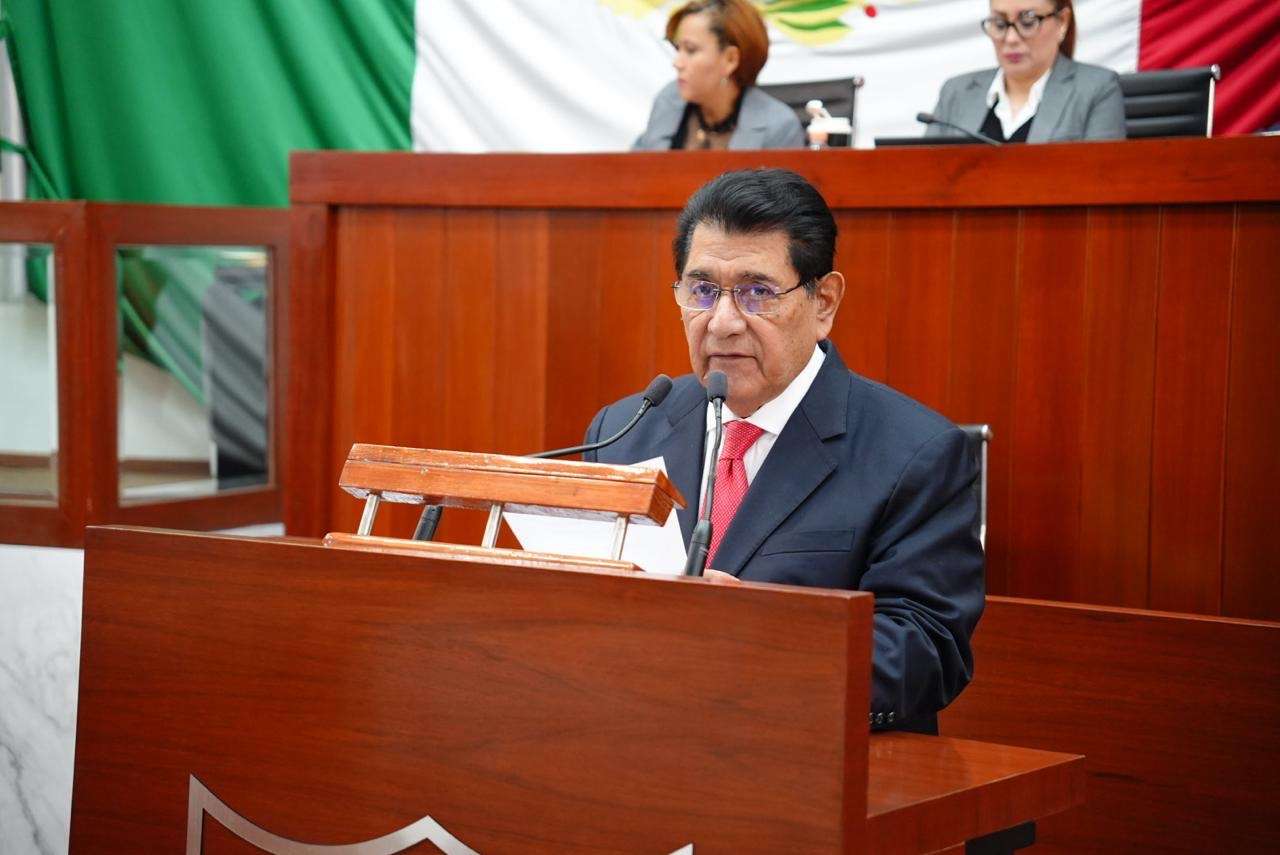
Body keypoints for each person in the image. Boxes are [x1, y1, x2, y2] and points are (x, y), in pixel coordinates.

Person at [583, 168, 985, 734]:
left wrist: (758, 639)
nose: (722, 322)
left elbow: (926, 652)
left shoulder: (916, 453)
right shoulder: (625, 431)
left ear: (824, 302)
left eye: (757, 292)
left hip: (803, 758)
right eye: (702, 290)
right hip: (630, 743)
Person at [926, 0, 1125, 143]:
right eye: (1000, 23)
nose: (1011, 38)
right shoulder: (957, 92)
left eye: (1028, 21)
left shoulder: (1097, 88)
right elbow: (925, 177)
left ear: (1062, 21)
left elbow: (1104, 180)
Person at [632, 0, 804, 151]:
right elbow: (636, 168)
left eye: (690, 50)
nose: (677, 63)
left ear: (730, 59)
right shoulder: (668, 99)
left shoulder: (779, 127)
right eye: (678, 49)